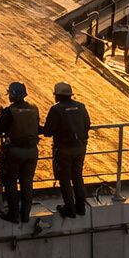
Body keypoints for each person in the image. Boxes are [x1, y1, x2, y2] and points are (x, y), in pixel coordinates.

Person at [0, 81, 40, 223]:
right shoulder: (34, 108)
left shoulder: (9, 111)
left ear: (12, 95)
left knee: (10, 182)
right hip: (32, 151)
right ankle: (25, 215)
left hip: (15, 152)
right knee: (27, 183)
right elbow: (36, 126)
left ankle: (14, 214)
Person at [43, 80, 91, 217]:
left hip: (64, 149)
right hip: (80, 147)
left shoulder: (56, 109)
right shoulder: (81, 106)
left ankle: (69, 208)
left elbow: (48, 131)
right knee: (77, 177)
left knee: (64, 178)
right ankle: (81, 207)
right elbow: (87, 124)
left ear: (58, 96)